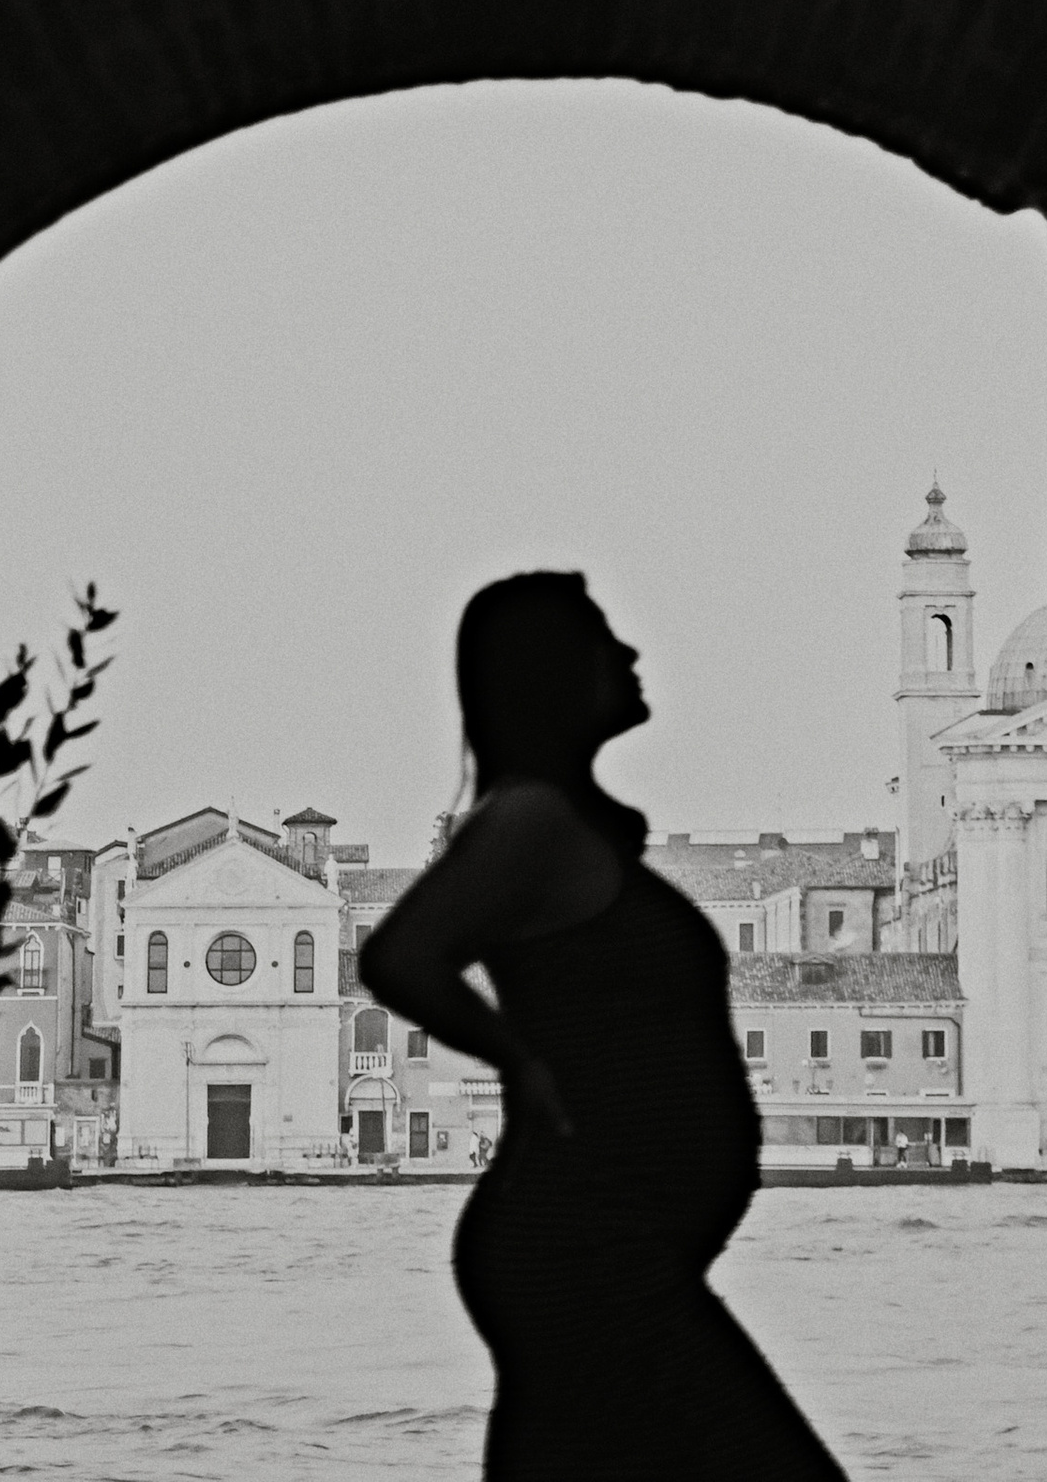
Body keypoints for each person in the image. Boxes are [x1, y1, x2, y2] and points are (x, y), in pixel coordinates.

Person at [359, 572, 848, 1482]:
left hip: (604, 1245)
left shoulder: (564, 829)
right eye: (602, 640)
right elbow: (400, 958)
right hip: (585, 1249)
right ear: (551, 677)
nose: (627, 653)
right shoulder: (531, 821)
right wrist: (519, 1059)